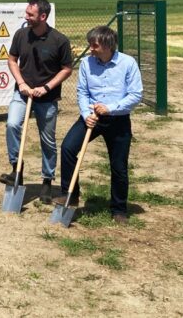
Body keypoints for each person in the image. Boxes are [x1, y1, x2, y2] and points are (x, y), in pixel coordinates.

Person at [56, 26, 142, 225]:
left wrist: (110, 108)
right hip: (91, 118)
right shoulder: (86, 63)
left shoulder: (128, 63)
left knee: (118, 166)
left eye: (94, 45)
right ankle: (70, 194)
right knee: (68, 148)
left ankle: (119, 209)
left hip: (118, 120)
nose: (90, 49)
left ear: (107, 45)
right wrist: (87, 114)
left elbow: (135, 95)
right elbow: (82, 92)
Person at [2, 0, 73, 204]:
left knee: (48, 140)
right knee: (12, 124)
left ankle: (47, 181)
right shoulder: (21, 35)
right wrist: (21, 83)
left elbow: (66, 68)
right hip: (22, 92)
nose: (26, 17)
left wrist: (47, 87)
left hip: (47, 97)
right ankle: (16, 170)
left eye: (30, 15)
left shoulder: (59, 40)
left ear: (43, 16)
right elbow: (12, 60)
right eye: (26, 13)